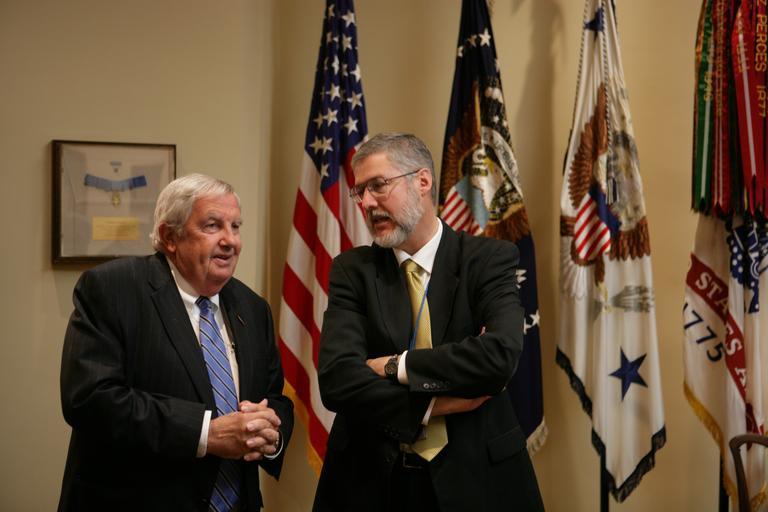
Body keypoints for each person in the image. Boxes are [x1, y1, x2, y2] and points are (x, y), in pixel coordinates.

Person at [313, 133, 544, 511]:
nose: (367, 203)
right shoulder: (353, 271)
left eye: (378, 185)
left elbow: (498, 357)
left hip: (478, 479)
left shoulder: (487, 260)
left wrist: (395, 366)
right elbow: (338, 381)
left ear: (422, 181)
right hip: (373, 482)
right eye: (360, 192)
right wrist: (431, 406)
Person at [59, 174, 293, 511]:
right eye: (213, 226)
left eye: (235, 227)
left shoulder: (253, 308)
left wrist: (270, 434)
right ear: (170, 236)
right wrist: (205, 434)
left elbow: (274, 396)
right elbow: (90, 399)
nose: (230, 241)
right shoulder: (114, 289)